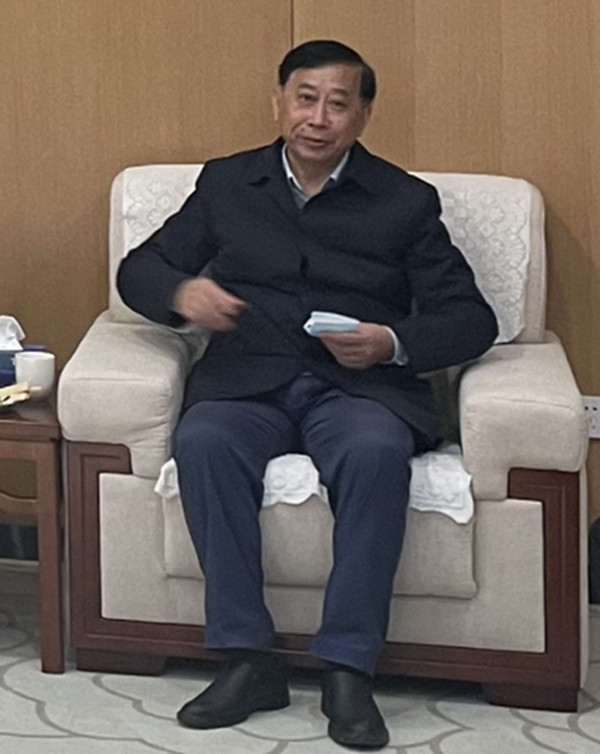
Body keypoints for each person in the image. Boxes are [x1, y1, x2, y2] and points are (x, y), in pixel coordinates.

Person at [117, 39, 498, 751]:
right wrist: (182, 292)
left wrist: (391, 341)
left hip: (355, 388)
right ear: (279, 104)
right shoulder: (228, 183)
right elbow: (140, 268)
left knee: (375, 453)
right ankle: (247, 659)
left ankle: (348, 669)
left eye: (337, 104)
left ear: (363, 115)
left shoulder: (404, 201)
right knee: (203, 442)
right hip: (246, 381)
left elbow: (471, 319)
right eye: (305, 99)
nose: (317, 118)